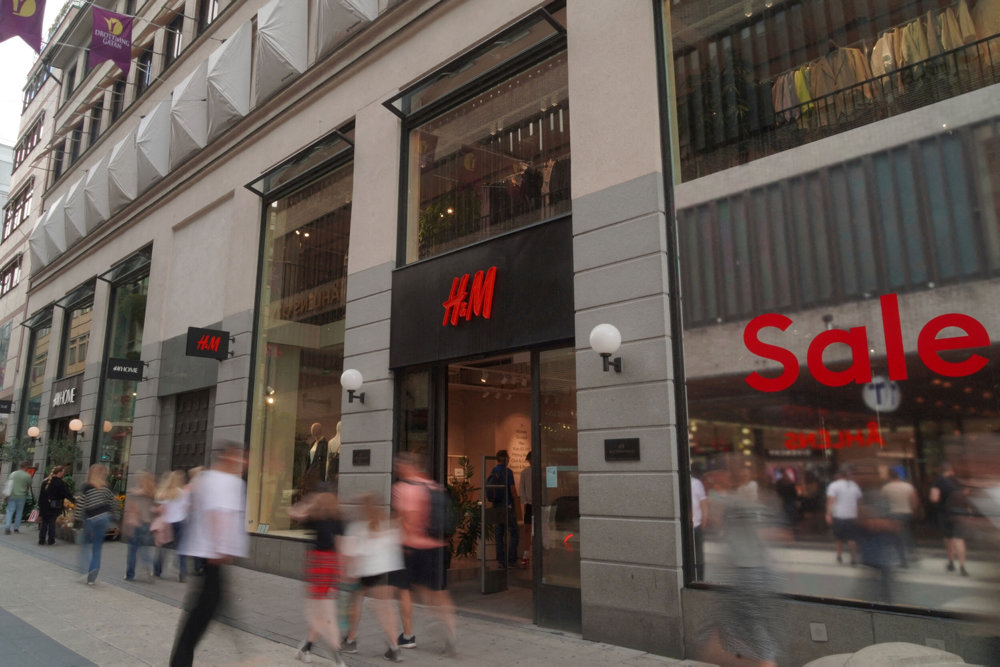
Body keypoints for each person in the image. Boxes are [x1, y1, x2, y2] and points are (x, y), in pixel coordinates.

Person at [170, 442, 248, 667]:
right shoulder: (225, 481)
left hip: (207, 555)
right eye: (240, 457)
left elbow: (186, 507)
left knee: (210, 607)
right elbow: (218, 514)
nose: (244, 463)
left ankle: (242, 651)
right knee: (201, 614)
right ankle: (180, 662)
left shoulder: (208, 479)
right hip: (212, 555)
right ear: (229, 458)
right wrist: (220, 547)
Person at [392, 451, 457, 656]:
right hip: (438, 546)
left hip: (412, 547)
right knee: (438, 591)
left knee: (405, 590)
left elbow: (407, 519)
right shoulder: (435, 487)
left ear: (407, 466)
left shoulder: (403, 488)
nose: (397, 467)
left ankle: (408, 635)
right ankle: (450, 631)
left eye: (399, 463)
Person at [341, 492, 406, 663]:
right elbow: (396, 546)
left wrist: (349, 573)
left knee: (356, 603)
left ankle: (351, 640)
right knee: (386, 610)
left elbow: (352, 554)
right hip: (386, 571)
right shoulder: (387, 525)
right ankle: (394, 648)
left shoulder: (357, 527)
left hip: (365, 571)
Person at [288, 482, 346, 666]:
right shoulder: (338, 517)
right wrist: (342, 569)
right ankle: (308, 648)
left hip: (316, 565)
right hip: (331, 565)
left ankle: (335, 653)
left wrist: (309, 501)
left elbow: (293, 512)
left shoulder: (315, 516)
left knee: (318, 611)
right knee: (324, 611)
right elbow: (340, 545)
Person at [75, 463, 120, 585]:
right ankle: (92, 576)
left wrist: (77, 519)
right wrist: (117, 518)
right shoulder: (107, 487)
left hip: (91, 518)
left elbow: (81, 504)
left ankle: (84, 570)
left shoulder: (87, 486)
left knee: (84, 544)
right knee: (97, 548)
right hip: (104, 518)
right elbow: (113, 503)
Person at [930, 462, 969, 576]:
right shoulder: (957, 481)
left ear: (940, 471)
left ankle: (951, 563)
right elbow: (965, 494)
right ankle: (962, 567)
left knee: (949, 539)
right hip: (960, 514)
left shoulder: (937, 482)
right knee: (959, 540)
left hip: (945, 514)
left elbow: (934, 498)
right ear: (950, 470)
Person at [154, 470, 190, 582]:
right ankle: (182, 574)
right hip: (180, 522)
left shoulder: (164, 493)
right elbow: (187, 508)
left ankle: (157, 571)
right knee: (181, 549)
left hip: (167, 523)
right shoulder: (183, 493)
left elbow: (160, 510)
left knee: (162, 549)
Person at [487, 449, 519, 569]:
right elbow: (512, 489)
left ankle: (501, 559)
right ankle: (511, 559)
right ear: (505, 458)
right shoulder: (508, 472)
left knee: (499, 533)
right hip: (507, 505)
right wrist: (516, 501)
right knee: (514, 532)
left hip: (496, 506)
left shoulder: (493, 471)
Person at [122, 471, 157, 582]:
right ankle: (148, 569)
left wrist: (126, 523)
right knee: (145, 550)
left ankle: (130, 575)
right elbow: (154, 510)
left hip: (135, 523)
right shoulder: (151, 493)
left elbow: (131, 509)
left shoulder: (134, 493)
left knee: (132, 550)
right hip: (146, 523)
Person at [881, 469, 919, 567]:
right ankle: (911, 553)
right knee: (906, 533)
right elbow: (914, 500)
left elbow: (882, 502)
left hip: (893, 514)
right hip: (906, 513)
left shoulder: (886, 488)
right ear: (898, 476)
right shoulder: (908, 486)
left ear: (890, 477)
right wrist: (913, 511)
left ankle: (902, 559)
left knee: (896, 537)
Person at [826, 467, 862, 566]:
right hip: (852, 515)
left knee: (838, 537)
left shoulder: (834, 485)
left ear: (838, 475)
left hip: (839, 515)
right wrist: (859, 513)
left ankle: (839, 556)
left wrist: (828, 514)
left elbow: (831, 500)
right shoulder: (854, 485)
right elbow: (859, 501)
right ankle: (853, 558)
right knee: (852, 538)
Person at [38, 465, 73, 545]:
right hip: (54, 505)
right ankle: (51, 540)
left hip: (44, 505)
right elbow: (67, 494)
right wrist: (74, 500)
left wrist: (40, 506)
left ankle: (41, 540)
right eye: (63, 473)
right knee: (51, 523)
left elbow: (41, 495)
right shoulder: (60, 483)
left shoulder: (45, 482)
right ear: (60, 473)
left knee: (44, 522)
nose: (63, 474)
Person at [3, 460, 33, 534]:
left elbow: (9, 485)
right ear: (26, 467)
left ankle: (7, 527)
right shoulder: (27, 476)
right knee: (19, 512)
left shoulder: (13, 474)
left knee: (10, 511)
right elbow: (29, 485)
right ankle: (16, 528)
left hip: (12, 495)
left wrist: (6, 495)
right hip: (22, 496)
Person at [691, 470, 709, 581]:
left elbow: (703, 503)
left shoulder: (696, 483)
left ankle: (700, 580)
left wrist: (704, 522)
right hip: (685, 528)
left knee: (699, 557)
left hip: (696, 526)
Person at [519, 451, 533, 568]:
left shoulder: (541, 472)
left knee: (538, 529)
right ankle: (526, 554)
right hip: (529, 504)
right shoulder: (525, 473)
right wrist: (525, 501)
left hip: (539, 504)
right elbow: (522, 489)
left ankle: (539, 552)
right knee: (527, 529)